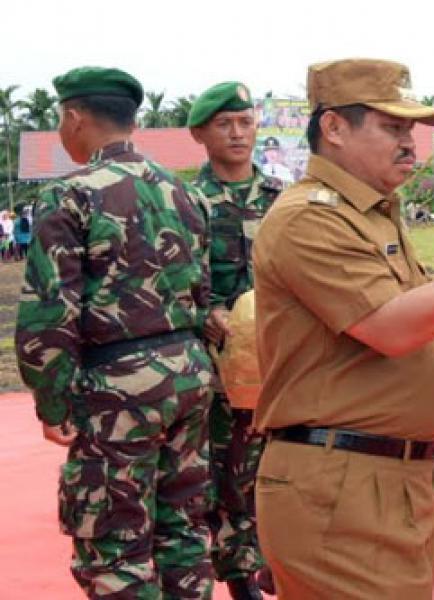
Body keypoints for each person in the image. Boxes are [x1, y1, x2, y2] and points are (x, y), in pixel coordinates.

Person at [250, 58, 434, 599]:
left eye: (410, 129)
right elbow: (392, 327)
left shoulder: (372, 213)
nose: (410, 144)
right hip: (340, 484)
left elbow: (413, 302)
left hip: (383, 479)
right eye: (393, 127)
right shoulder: (309, 218)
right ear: (333, 128)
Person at [14, 66, 215, 598]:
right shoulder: (184, 193)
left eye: (61, 119)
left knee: (114, 543)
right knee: (184, 531)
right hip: (189, 376)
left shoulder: (70, 195)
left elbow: (48, 314)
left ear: (74, 117)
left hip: (118, 389)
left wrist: (53, 403)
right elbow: (202, 292)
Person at [188, 81, 283, 600]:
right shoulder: (187, 202)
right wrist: (207, 313)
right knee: (225, 481)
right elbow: (172, 279)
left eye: (245, 122)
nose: (238, 133)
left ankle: (282, 569)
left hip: (281, 366)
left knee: (286, 470)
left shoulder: (282, 200)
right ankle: (240, 582)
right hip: (217, 370)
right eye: (225, 124)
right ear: (201, 133)